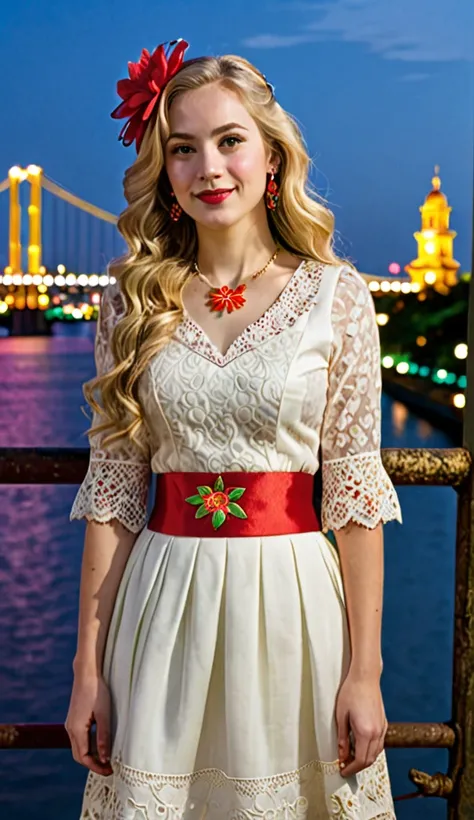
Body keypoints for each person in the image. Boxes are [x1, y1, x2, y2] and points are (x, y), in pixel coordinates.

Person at [65, 38, 403, 819]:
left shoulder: (338, 297)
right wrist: (87, 669)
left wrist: (365, 673)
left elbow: (352, 501)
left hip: (294, 608)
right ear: (166, 171)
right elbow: (115, 493)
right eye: (183, 148)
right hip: (163, 609)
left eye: (229, 141)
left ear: (271, 156)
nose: (209, 167)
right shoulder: (128, 300)